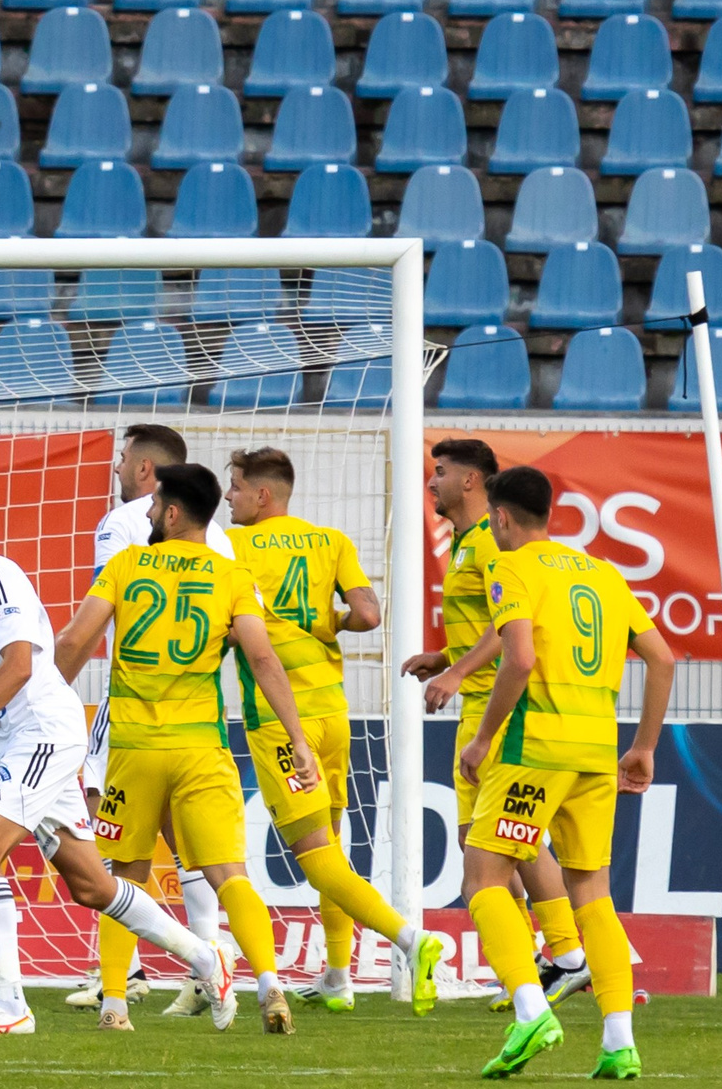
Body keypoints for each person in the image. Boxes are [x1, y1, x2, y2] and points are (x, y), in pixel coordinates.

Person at [0, 478, 230, 1036]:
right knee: (91, 886)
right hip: (26, 739)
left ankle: (11, 1007)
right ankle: (207, 959)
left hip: (42, 733)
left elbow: (18, 666)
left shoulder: (0, 577)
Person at [53, 463, 315, 1035]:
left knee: (125, 872)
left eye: (154, 506)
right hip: (201, 747)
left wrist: (45, 706)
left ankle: (115, 1004)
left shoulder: (125, 566)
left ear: (172, 513)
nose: (147, 514)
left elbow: (76, 639)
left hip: (134, 749)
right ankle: (270, 987)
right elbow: (263, 659)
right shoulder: (230, 575)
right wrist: (297, 738)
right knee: (230, 874)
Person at [457, 465, 674, 1080]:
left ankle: (530, 1009)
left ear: (500, 517)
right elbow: (662, 658)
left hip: (535, 748)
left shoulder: (511, 568)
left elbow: (519, 657)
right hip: (596, 751)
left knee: (484, 880)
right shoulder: (603, 573)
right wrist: (644, 748)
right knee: (593, 896)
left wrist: (481, 737)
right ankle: (618, 1041)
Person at [223, 448, 446, 1015]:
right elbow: (369, 614)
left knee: (317, 855)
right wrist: (330, 622)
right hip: (333, 714)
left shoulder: (232, 547)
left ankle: (411, 941)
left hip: (280, 719)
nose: (229, 498)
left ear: (262, 496)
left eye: (237, 488)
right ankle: (339, 976)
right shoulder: (331, 540)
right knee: (333, 846)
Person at [402, 438, 590, 1009]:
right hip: (477, 708)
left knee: (508, 841)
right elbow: (488, 624)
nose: (431, 482)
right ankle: (547, 955)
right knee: (492, 843)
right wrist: (447, 657)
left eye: (441, 473)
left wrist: (456, 671)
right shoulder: (464, 542)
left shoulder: (491, 541)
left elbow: (513, 627)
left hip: (498, 711)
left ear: (471, 482)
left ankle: (565, 955)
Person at [68, 423, 238, 1016]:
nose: (116, 471)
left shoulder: (124, 527)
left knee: (103, 825)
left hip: (136, 700)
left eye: (121, 461)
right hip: (200, 710)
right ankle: (202, 961)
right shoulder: (220, 538)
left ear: (147, 473)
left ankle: (137, 968)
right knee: (185, 838)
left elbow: (109, 613)